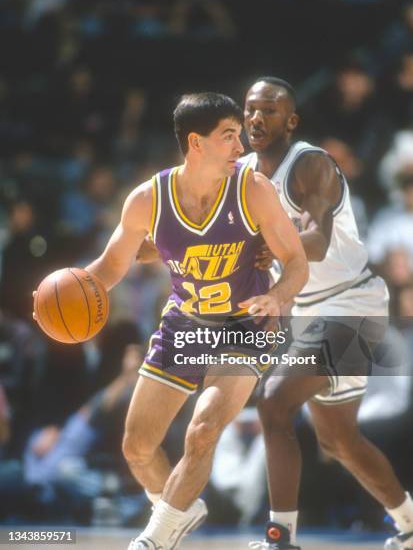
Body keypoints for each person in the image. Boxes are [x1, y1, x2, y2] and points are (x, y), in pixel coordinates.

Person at [76, 93, 308, 549]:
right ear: (195, 143)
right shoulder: (147, 199)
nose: (241, 147)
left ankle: (154, 539)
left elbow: (296, 261)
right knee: (137, 448)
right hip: (186, 323)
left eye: (240, 136)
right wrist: (58, 294)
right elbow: (106, 269)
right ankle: (180, 508)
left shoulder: (252, 189)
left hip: (246, 322)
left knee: (202, 428)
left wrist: (278, 296)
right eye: (229, 137)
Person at [241, 77, 413, 550]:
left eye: (269, 110)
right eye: (250, 109)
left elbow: (314, 241)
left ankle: (280, 539)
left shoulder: (310, 163)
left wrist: (273, 243)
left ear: (290, 121)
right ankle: (410, 522)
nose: (257, 118)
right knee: (338, 441)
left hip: (352, 301)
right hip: (311, 309)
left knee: (274, 403)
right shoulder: (241, 175)